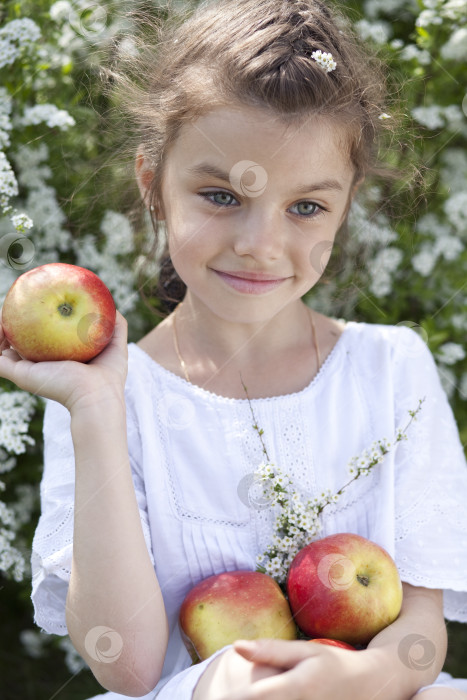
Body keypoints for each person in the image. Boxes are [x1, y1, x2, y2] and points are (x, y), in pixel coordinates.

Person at [1, 0, 467, 698]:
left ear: (345, 206)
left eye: (305, 207)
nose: (258, 244)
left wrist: (359, 673)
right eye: (220, 196)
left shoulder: (391, 369)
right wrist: (96, 412)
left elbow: (421, 634)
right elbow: (126, 667)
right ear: (152, 185)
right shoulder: (109, 393)